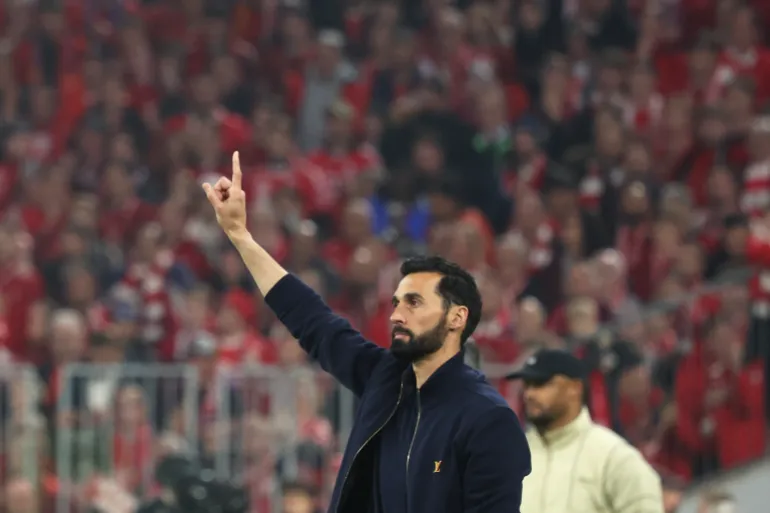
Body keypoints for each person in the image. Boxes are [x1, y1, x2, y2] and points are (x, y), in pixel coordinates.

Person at [202, 152, 531, 513]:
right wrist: (240, 235)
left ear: (457, 318)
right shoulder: (384, 378)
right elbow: (312, 318)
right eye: (396, 303)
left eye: (414, 303)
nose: (396, 315)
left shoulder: (487, 419)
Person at [506, 348, 664, 513]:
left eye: (541, 383)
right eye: (527, 385)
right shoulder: (510, 457)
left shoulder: (614, 457)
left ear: (575, 388)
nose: (529, 394)